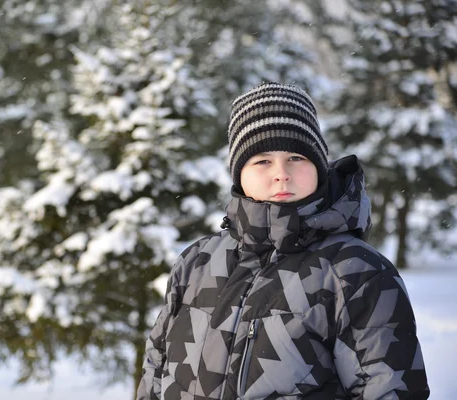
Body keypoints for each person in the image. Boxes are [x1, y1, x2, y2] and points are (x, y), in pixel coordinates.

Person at [136, 82, 429, 399]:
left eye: (296, 158)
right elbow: (155, 369)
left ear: (319, 166)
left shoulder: (356, 272)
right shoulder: (197, 261)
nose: (281, 173)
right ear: (239, 174)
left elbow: (390, 390)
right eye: (262, 160)